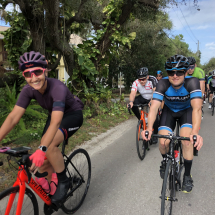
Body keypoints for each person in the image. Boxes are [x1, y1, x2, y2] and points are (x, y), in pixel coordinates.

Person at [0, 51, 84, 206]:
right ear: (24, 75)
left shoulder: (57, 88)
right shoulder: (28, 90)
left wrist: (42, 148)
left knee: (49, 146)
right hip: (55, 115)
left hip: (72, 114)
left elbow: (56, 122)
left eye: (37, 72)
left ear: (44, 70)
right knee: (44, 148)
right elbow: (12, 118)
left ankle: (64, 181)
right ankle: (53, 186)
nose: (33, 78)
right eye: (28, 74)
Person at [141, 55, 203, 193]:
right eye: (170, 72)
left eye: (179, 72)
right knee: (163, 143)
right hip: (169, 112)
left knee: (187, 142)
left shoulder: (192, 82)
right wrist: (149, 128)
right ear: (167, 73)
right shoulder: (162, 83)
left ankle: (187, 175)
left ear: (186, 72)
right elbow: (154, 107)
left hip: (186, 112)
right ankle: (166, 161)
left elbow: (197, 108)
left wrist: (195, 133)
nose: (175, 76)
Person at [128, 67, 158, 143]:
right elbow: (133, 93)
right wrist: (131, 101)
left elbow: (155, 91)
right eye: (140, 79)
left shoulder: (152, 79)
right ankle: (140, 120)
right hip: (143, 97)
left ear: (147, 77)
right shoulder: (136, 82)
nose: (141, 81)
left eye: (143, 79)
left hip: (152, 96)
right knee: (133, 104)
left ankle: (155, 135)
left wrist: (152, 101)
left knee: (156, 117)